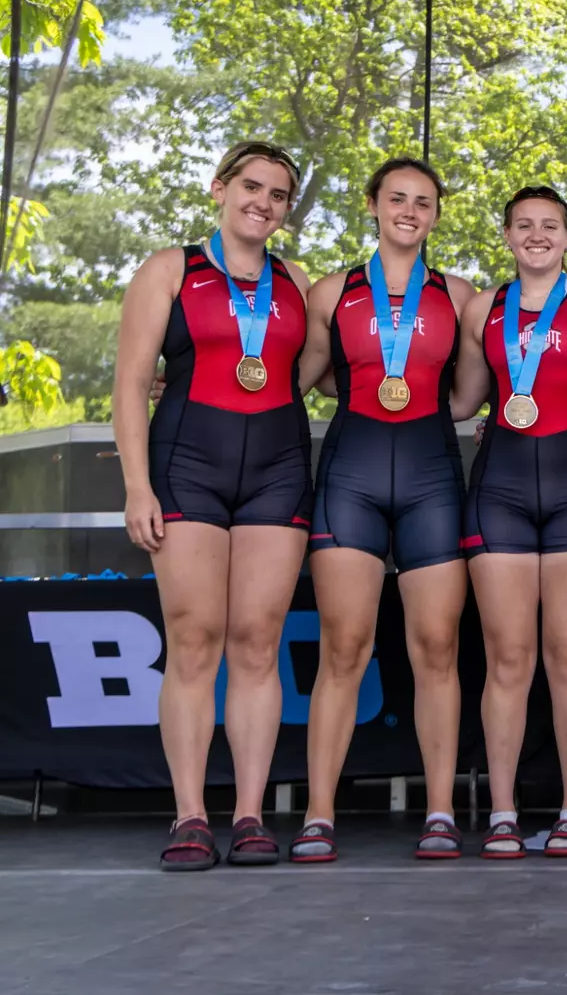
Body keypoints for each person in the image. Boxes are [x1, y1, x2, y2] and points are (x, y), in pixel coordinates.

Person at [114, 141, 314, 869]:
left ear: (287, 210)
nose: (262, 201)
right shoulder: (169, 270)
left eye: (278, 194)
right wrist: (138, 487)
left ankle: (253, 814)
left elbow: (331, 365)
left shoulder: (296, 283)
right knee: (195, 640)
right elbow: (131, 385)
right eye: (251, 186)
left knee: (259, 642)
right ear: (220, 189)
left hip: (278, 470)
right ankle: (191, 816)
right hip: (186, 469)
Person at [288, 157, 477, 862]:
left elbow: (474, 390)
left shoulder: (459, 295)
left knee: (437, 649)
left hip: (431, 475)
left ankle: (437, 812)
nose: (409, 210)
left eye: (423, 202)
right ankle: (318, 814)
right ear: (372, 204)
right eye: (396, 198)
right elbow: (297, 376)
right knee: (345, 649)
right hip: (351, 475)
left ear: (435, 214)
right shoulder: (331, 290)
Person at [449, 186, 567, 858]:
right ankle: (501, 812)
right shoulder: (482, 308)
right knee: (508, 658)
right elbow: (464, 397)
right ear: (506, 235)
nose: (537, 234)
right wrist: (343, 383)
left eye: (550, 225)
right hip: (500, 492)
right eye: (524, 225)